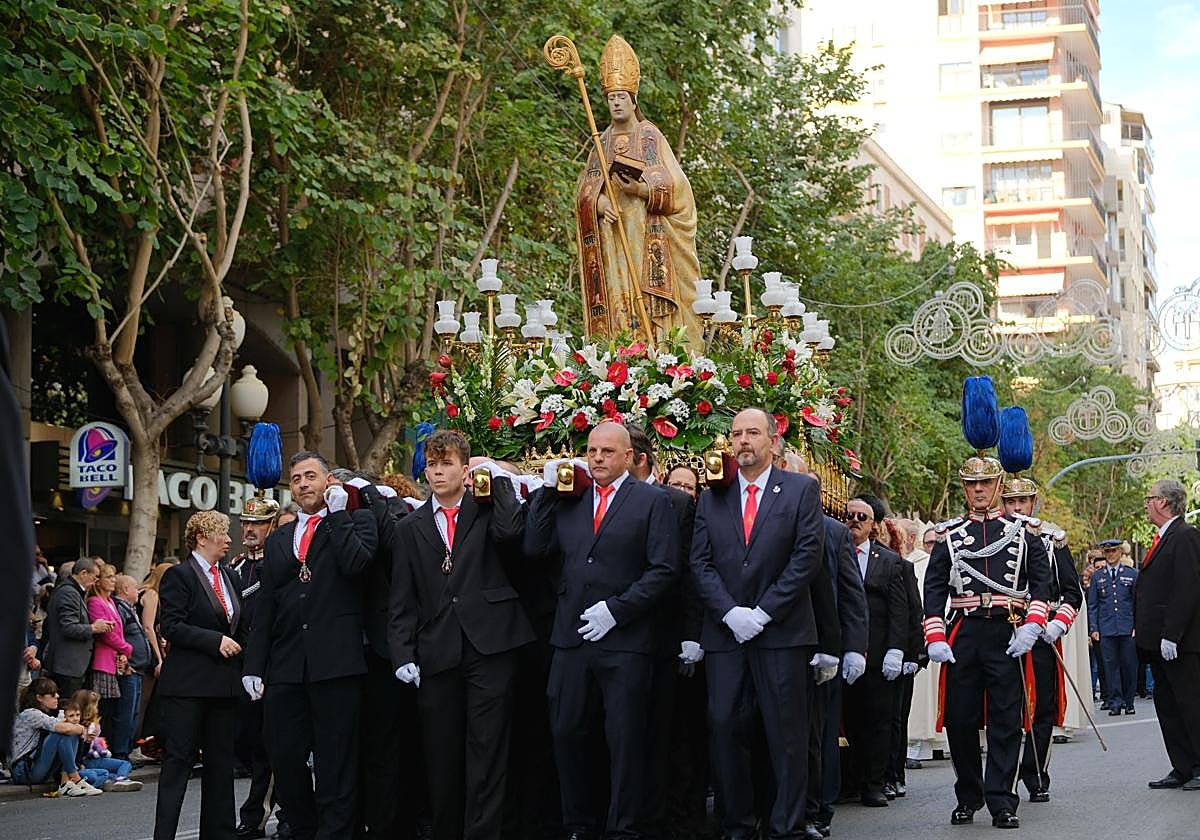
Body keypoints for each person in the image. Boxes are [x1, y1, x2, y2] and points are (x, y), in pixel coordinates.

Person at [524, 421, 679, 840]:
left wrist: (617, 610)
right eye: (592, 451)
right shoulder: (571, 498)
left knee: (624, 739)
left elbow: (663, 568)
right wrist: (546, 491)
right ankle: (578, 823)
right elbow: (535, 548)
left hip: (625, 640)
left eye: (607, 452)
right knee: (567, 730)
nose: (597, 459)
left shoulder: (651, 501)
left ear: (628, 456)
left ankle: (623, 827)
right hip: (571, 637)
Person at [390, 430, 534, 840]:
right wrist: (403, 654)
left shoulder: (486, 509)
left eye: (446, 463)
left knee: (488, 751)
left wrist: (498, 479)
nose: (437, 472)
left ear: (464, 468)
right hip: (437, 651)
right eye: (432, 465)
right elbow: (403, 598)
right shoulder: (409, 526)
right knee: (441, 756)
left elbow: (511, 533)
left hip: (491, 645)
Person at [689, 408, 824, 840]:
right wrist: (731, 613)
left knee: (785, 734)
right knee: (725, 727)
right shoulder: (713, 495)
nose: (743, 441)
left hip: (781, 633)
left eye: (752, 433)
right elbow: (700, 562)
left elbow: (806, 557)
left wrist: (763, 613)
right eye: (736, 435)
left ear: (772, 440)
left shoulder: (801, 489)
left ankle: (786, 826)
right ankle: (737, 825)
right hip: (726, 635)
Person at [243, 452, 378, 840]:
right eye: (296, 477)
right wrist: (254, 665)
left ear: (328, 480)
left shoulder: (355, 521)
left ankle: (336, 833)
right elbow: (267, 603)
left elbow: (356, 565)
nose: (303, 483)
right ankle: (304, 829)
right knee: (284, 755)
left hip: (337, 662)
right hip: (286, 665)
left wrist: (337, 516)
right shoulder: (281, 536)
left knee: (336, 761)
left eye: (311, 476)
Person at [923, 447, 1052, 830]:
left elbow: (1041, 582)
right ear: (964, 488)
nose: (978, 490)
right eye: (971, 484)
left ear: (998, 485)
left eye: (985, 483)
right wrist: (935, 634)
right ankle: (968, 794)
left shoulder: (1024, 531)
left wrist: (1032, 624)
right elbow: (933, 588)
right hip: (964, 630)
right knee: (959, 720)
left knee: (1006, 720)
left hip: (1007, 630)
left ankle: (1002, 800)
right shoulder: (949, 535)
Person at [574, 35, 700, 345]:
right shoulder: (600, 141)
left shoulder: (648, 135)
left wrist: (643, 190)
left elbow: (678, 187)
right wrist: (600, 204)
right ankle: (623, 351)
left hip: (646, 235)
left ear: (633, 100)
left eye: (621, 96)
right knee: (619, 296)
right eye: (610, 97)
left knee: (646, 296)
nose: (615, 102)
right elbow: (584, 193)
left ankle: (658, 350)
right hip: (613, 240)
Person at [624, 425, 705, 840]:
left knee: (671, 734)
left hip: (665, 636)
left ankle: (677, 822)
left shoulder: (676, 503)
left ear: (636, 459)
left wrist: (691, 633)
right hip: (616, 637)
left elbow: (691, 570)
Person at [153, 510, 246, 840]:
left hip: (224, 686)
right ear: (203, 538)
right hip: (188, 686)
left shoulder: (230, 577)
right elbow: (172, 626)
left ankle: (220, 834)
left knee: (221, 765)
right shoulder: (179, 576)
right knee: (178, 762)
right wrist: (214, 640)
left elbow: (238, 625)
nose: (229, 539)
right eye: (223, 533)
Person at [1001, 476, 1082, 803]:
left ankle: (1035, 772)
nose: (1017, 508)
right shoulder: (987, 535)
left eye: (1023, 502)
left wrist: (1057, 625)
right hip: (1000, 630)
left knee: (1041, 708)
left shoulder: (1052, 538)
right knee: (1003, 706)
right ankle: (1002, 775)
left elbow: (1071, 593)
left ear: (1033, 502)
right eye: (1011, 502)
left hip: (1041, 632)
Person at [840, 495, 909, 808]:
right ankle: (852, 779)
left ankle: (875, 783)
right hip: (843, 653)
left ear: (873, 526)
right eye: (849, 515)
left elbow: (900, 610)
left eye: (861, 517)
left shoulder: (890, 561)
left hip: (879, 655)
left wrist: (898, 650)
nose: (854, 521)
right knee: (849, 722)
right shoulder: (833, 554)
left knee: (879, 722)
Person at [1138, 479, 1200, 790]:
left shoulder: (1185, 535)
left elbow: (1187, 588)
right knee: (1168, 705)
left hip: (1180, 642)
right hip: (1157, 640)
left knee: (1190, 703)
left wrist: (1172, 634)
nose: (1146, 504)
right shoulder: (1164, 537)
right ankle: (1183, 765)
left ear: (1163, 502)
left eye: (1149, 498)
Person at [229, 496, 283, 840]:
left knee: (273, 747)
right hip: (239, 668)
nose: (250, 530)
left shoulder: (279, 564)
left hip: (273, 667)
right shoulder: (234, 567)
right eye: (246, 523)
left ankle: (259, 816)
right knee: (249, 745)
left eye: (258, 524)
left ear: (272, 526)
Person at [8, 677, 102, 796]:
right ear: (39, 698)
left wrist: (78, 730)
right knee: (63, 731)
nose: (57, 696)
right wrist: (82, 729)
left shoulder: (44, 713)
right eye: (52, 694)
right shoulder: (30, 713)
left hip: (37, 767)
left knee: (69, 732)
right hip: (23, 772)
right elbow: (63, 728)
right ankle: (75, 779)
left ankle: (65, 782)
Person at [41, 555, 112, 698]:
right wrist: (93, 628)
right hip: (67, 666)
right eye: (95, 577)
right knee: (67, 709)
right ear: (83, 573)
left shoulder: (72, 591)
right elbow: (68, 627)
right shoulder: (69, 592)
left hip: (70, 665)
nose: (96, 581)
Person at [1087, 538, 1138, 715]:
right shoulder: (1097, 577)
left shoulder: (1131, 574)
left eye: (1113, 551)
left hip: (1127, 627)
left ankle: (1129, 701)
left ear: (1120, 552)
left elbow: (1137, 602)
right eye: (1107, 552)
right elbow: (1092, 604)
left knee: (1129, 665)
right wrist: (1094, 628)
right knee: (1110, 667)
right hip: (1106, 628)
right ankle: (1115, 702)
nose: (1110, 555)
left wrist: (1136, 626)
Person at [110, 574, 152, 761]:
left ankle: (126, 750)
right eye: (135, 588)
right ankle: (120, 752)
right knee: (125, 713)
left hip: (138, 668)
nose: (138, 591)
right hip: (129, 668)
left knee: (133, 713)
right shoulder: (120, 608)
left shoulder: (129, 608)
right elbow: (118, 637)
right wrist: (125, 659)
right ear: (126, 590)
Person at [86, 560, 133, 726]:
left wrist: (122, 653)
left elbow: (118, 630)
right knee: (102, 709)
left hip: (114, 660)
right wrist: (126, 648)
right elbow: (106, 633)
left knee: (111, 708)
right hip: (102, 661)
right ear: (99, 581)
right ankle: (97, 748)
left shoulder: (111, 601)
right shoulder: (94, 602)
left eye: (115, 576)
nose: (114, 580)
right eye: (109, 577)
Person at [72, 688, 142, 791]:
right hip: (87, 760)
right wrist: (88, 740)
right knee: (125, 764)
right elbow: (80, 751)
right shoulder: (79, 727)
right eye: (95, 705)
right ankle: (120, 779)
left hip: (91, 758)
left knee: (113, 772)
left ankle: (114, 780)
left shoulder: (91, 724)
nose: (97, 708)